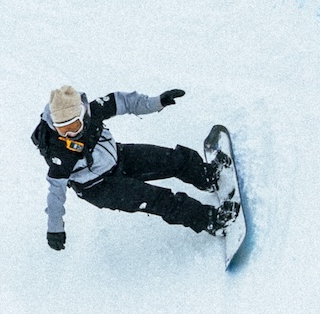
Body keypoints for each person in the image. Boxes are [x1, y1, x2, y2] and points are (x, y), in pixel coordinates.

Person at [34, 85, 236, 250]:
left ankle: (208, 177)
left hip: (117, 157)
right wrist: (55, 229)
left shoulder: (93, 111)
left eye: (73, 126)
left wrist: (158, 102)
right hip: (99, 188)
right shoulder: (59, 152)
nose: (69, 134)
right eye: (62, 129)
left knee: (173, 159)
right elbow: (55, 192)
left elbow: (123, 101)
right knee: (159, 199)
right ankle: (211, 220)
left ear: (83, 114)